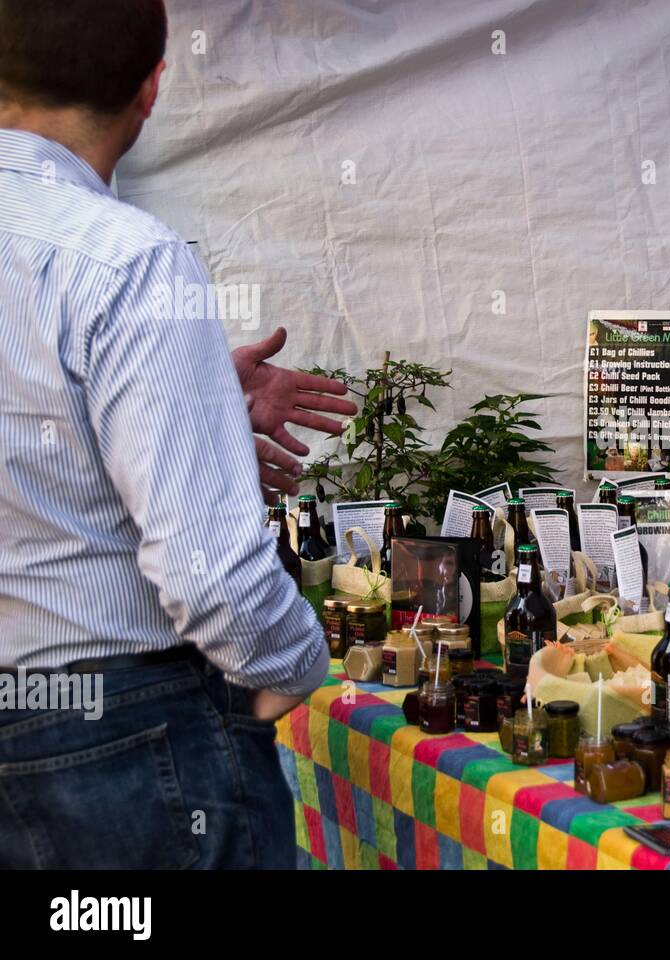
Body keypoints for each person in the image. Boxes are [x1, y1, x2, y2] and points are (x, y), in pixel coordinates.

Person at [0, 0, 355, 867]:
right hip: (123, 737)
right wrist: (299, 665)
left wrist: (187, 405)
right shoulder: (129, 258)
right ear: (153, 87)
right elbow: (212, 578)